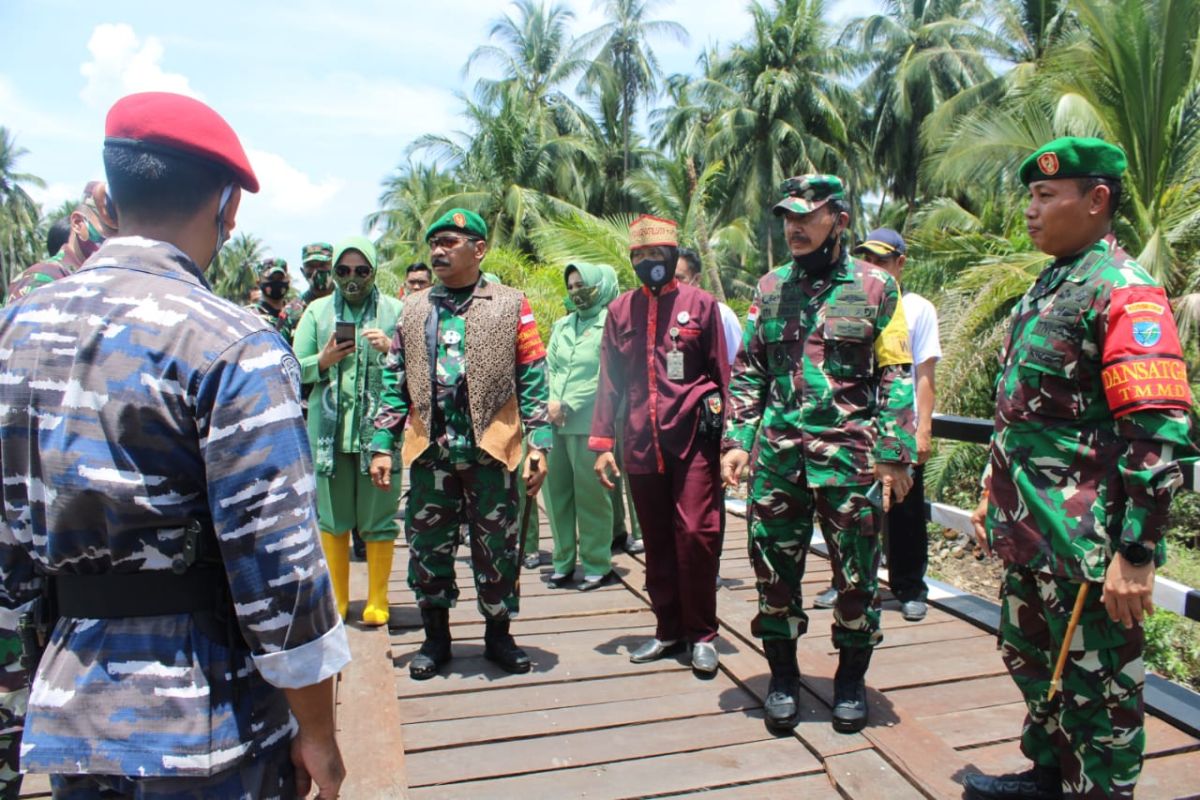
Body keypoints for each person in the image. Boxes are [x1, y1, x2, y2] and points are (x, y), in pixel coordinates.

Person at [0, 91, 347, 798]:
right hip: (207, 724)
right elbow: (279, 570)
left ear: (114, 193)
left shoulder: (18, 329)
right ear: (227, 209)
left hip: (72, 713)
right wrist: (318, 731)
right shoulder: (233, 344)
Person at [963, 138, 1195, 800]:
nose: (1030, 212)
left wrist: (1138, 551)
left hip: (1084, 541)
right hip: (1027, 526)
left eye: (1045, 197)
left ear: (1096, 201)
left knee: (1101, 692)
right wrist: (990, 491)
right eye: (1029, 196)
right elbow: (1018, 408)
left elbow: (1154, 430)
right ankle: (1047, 777)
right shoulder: (1050, 282)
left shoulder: (1127, 292)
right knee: (1031, 658)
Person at [722, 175, 915, 735]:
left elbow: (895, 373)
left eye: (808, 216)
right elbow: (749, 370)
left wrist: (895, 451)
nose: (795, 227)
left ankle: (850, 681)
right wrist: (737, 439)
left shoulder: (879, 287)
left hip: (850, 463)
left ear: (840, 220)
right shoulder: (769, 288)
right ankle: (783, 678)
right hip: (779, 460)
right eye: (788, 216)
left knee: (856, 579)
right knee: (772, 575)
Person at [369, 208, 551, 679]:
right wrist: (381, 442)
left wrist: (539, 443)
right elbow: (394, 380)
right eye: (434, 243)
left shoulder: (511, 303)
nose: (438, 251)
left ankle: (498, 636)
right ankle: (436, 639)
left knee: (498, 549)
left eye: (449, 241)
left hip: (491, 450)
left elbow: (532, 375)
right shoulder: (414, 307)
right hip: (430, 452)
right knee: (428, 548)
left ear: (479, 248)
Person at [590, 215, 729, 676]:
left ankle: (703, 633)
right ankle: (668, 630)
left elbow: (723, 374)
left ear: (672, 257)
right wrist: (603, 442)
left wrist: (732, 442)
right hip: (640, 442)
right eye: (641, 256)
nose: (650, 263)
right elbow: (609, 379)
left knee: (696, 534)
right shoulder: (620, 311)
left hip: (692, 440)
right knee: (655, 540)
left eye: (657, 256)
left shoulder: (701, 305)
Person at [812, 229, 940, 621]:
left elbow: (923, 374)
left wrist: (921, 430)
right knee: (851, 514)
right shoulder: (848, 300)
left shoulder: (918, 307)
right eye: (866, 258)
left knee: (904, 510)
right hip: (854, 432)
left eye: (882, 260)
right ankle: (844, 581)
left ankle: (909, 586)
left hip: (895, 428)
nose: (873, 266)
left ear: (901, 264)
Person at [294, 236, 404, 627]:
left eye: (361, 270)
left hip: (380, 436)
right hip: (328, 436)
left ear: (374, 270)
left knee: (378, 517)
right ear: (333, 272)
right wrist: (322, 360)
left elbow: (419, 366)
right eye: (343, 271)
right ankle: (338, 599)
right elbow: (292, 366)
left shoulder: (395, 310)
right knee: (332, 518)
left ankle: (378, 599)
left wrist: (391, 348)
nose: (352, 278)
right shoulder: (317, 312)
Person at [546, 262, 620, 590]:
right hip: (553, 423)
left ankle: (596, 563)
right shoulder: (562, 325)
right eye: (571, 286)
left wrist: (569, 403)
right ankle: (562, 562)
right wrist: (551, 403)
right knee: (556, 494)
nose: (576, 291)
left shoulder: (611, 323)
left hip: (590, 420)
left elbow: (606, 372)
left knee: (591, 496)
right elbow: (550, 366)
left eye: (581, 285)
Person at [5, 180, 118, 303]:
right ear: (78, 224)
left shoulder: (104, 278)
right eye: (110, 229)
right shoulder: (44, 279)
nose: (119, 238)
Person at [279, 241, 334, 345]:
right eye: (311, 266)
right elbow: (279, 351)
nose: (317, 271)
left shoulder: (349, 302)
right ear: (303, 271)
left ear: (335, 267)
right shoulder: (291, 312)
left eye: (322, 265)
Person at [245, 256, 291, 333]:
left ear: (288, 281)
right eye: (271, 278)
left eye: (280, 278)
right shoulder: (249, 315)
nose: (276, 282)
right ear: (259, 282)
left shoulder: (295, 314)